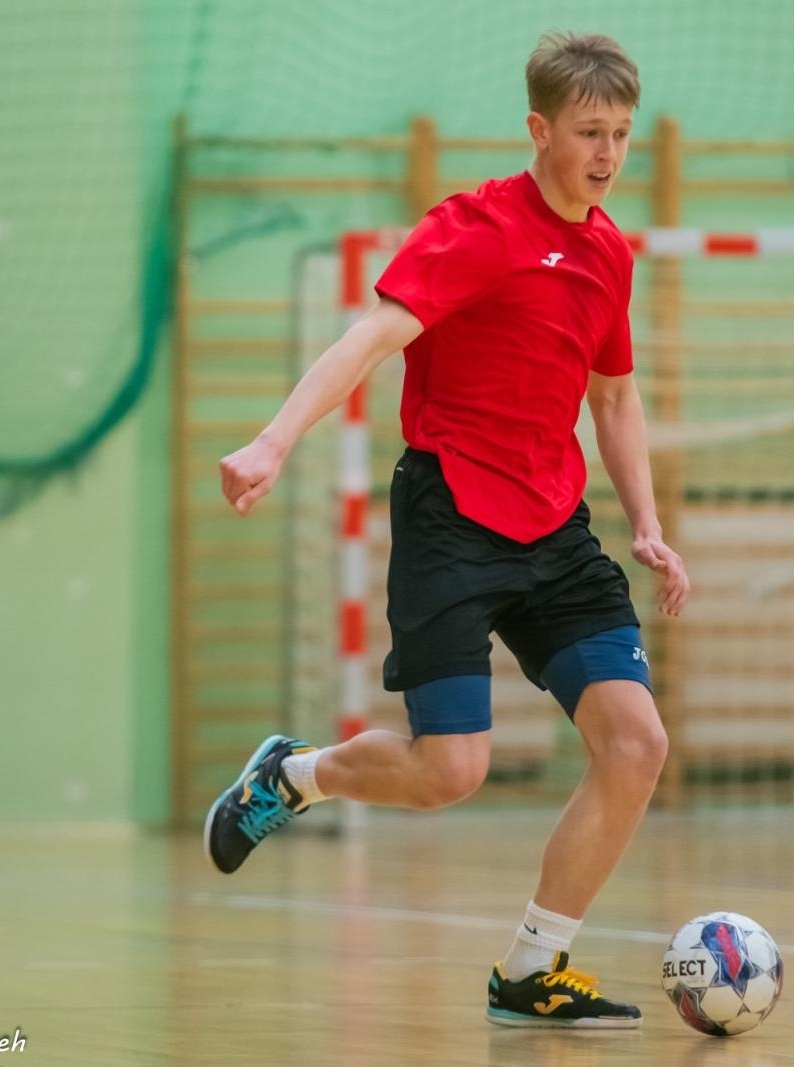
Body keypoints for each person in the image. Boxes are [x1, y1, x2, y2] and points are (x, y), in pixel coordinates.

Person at [203, 31, 687, 1030]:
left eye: (621, 135)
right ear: (538, 129)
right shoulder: (473, 227)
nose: (606, 153)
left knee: (635, 742)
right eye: (588, 131)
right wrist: (271, 442)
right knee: (448, 770)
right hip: (452, 515)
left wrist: (647, 520)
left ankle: (530, 969)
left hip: (554, 526)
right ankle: (293, 775)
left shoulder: (607, 253)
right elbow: (371, 338)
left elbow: (616, 397)